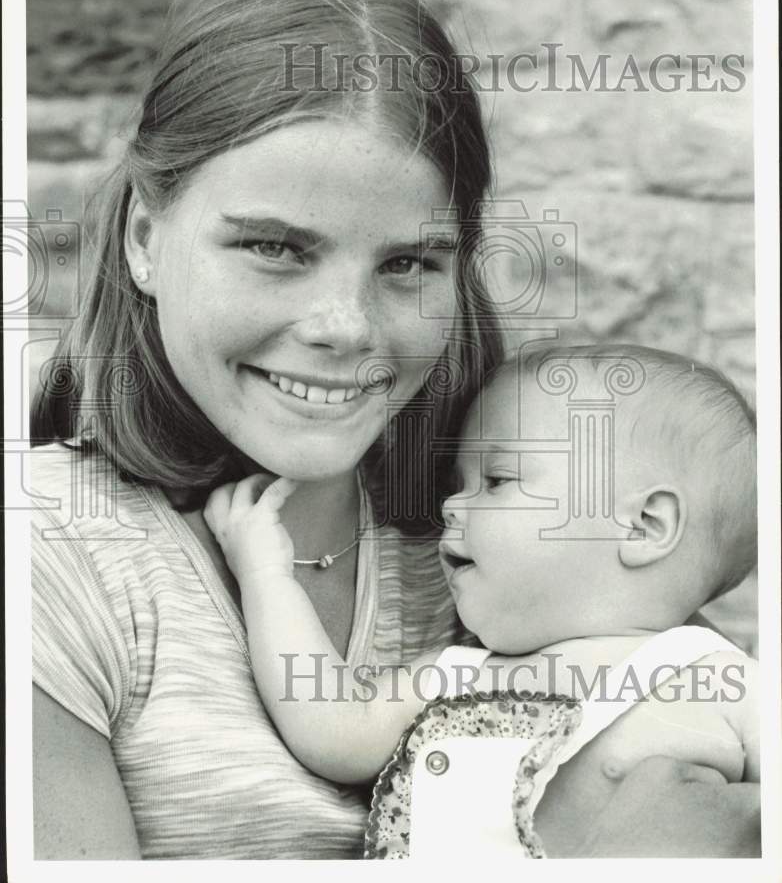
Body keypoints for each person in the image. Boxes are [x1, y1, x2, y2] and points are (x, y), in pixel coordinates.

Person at [29, 0, 760, 860]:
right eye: (273, 247)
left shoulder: (515, 536)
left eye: (408, 264)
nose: (346, 329)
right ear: (146, 237)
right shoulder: (52, 554)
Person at [204, 343, 759, 858]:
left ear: (642, 526)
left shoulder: (722, 681)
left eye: (496, 479)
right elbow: (329, 726)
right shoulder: (459, 676)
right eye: (457, 482)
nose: (451, 506)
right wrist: (265, 574)